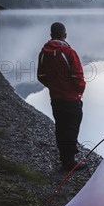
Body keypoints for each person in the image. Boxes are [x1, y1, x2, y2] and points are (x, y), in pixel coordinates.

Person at [37, 22, 87, 172]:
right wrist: (79, 91)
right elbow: (78, 77)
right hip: (71, 99)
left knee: (61, 127)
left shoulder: (44, 53)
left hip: (56, 98)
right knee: (71, 129)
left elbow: (41, 76)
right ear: (65, 35)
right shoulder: (69, 53)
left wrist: (54, 87)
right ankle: (70, 162)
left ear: (51, 35)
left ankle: (64, 158)